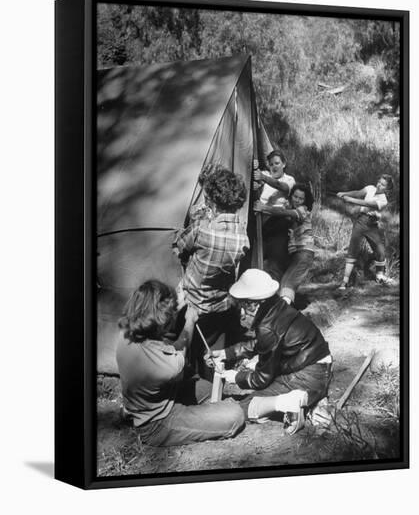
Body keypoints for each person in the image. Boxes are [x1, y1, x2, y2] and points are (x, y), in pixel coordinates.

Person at [116, 279, 245, 446]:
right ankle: (141, 419)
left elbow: (158, 330)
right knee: (234, 415)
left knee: (206, 389)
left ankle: (132, 412)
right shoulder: (162, 366)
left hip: (164, 394)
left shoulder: (128, 328)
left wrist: (177, 302)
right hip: (158, 422)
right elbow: (180, 352)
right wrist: (189, 321)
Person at [209, 269, 332, 434]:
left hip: (308, 374)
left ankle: (290, 402)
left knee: (241, 409)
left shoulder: (267, 327)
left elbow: (261, 379)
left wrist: (235, 377)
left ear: (255, 303)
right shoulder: (277, 306)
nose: (242, 311)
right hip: (318, 366)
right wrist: (229, 353)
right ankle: (311, 399)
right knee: (264, 395)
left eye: (244, 304)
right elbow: (264, 343)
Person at [174, 165, 250, 379]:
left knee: (184, 356)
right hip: (219, 306)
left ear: (212, 203)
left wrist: (198, 220)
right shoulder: (243, 238)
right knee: (212, 358)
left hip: (191, 304)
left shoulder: (201, 230)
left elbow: (179, 245)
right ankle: (213, 392)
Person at [254, 183, 315, 305]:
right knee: (284, 284)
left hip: (304, 253)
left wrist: (264, 208)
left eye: (301, 198)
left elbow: (285, 213)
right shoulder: (291, 212)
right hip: (296, 254)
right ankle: (278, 312)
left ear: (305, 201)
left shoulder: (303, 210)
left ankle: (282, 314)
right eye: (295, 196)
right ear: (291, 196)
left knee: (288, 285)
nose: (297, 200)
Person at [336, 174, 394, 290]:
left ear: (387, 189)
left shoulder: (383, 200)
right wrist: (344, 193)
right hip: (361, 221)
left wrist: (350, 200)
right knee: (353, 249)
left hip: (373, 225)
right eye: (379, 182)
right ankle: (344, 282)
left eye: (383, 185)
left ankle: (380, 276)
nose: (379, 185)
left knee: (380, 250)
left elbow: (367, 204)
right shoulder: (370, 188)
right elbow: (358, 193)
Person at [254, 150, 295, 281]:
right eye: (271, 164)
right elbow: (254, 177)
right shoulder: (265, 174)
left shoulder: (289, 180)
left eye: (277, 163)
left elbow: (281, 187)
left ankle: (276, 295)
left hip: (279, 223)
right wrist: (254, 169)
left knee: (275, 264)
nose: (274, 167)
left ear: (284, 164)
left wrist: (264, 178)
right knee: (257, 262)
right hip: (261, 223)